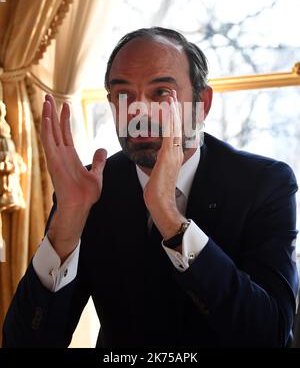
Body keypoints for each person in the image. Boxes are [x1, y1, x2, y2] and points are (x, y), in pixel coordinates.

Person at [2, 27, 298, 348]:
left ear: (203, 103)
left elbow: (270, 335)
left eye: (160, 94)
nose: (138, 111)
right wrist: (66, 229)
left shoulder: (265, 184)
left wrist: (170, 218)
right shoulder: (87, 192)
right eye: (123, 95)